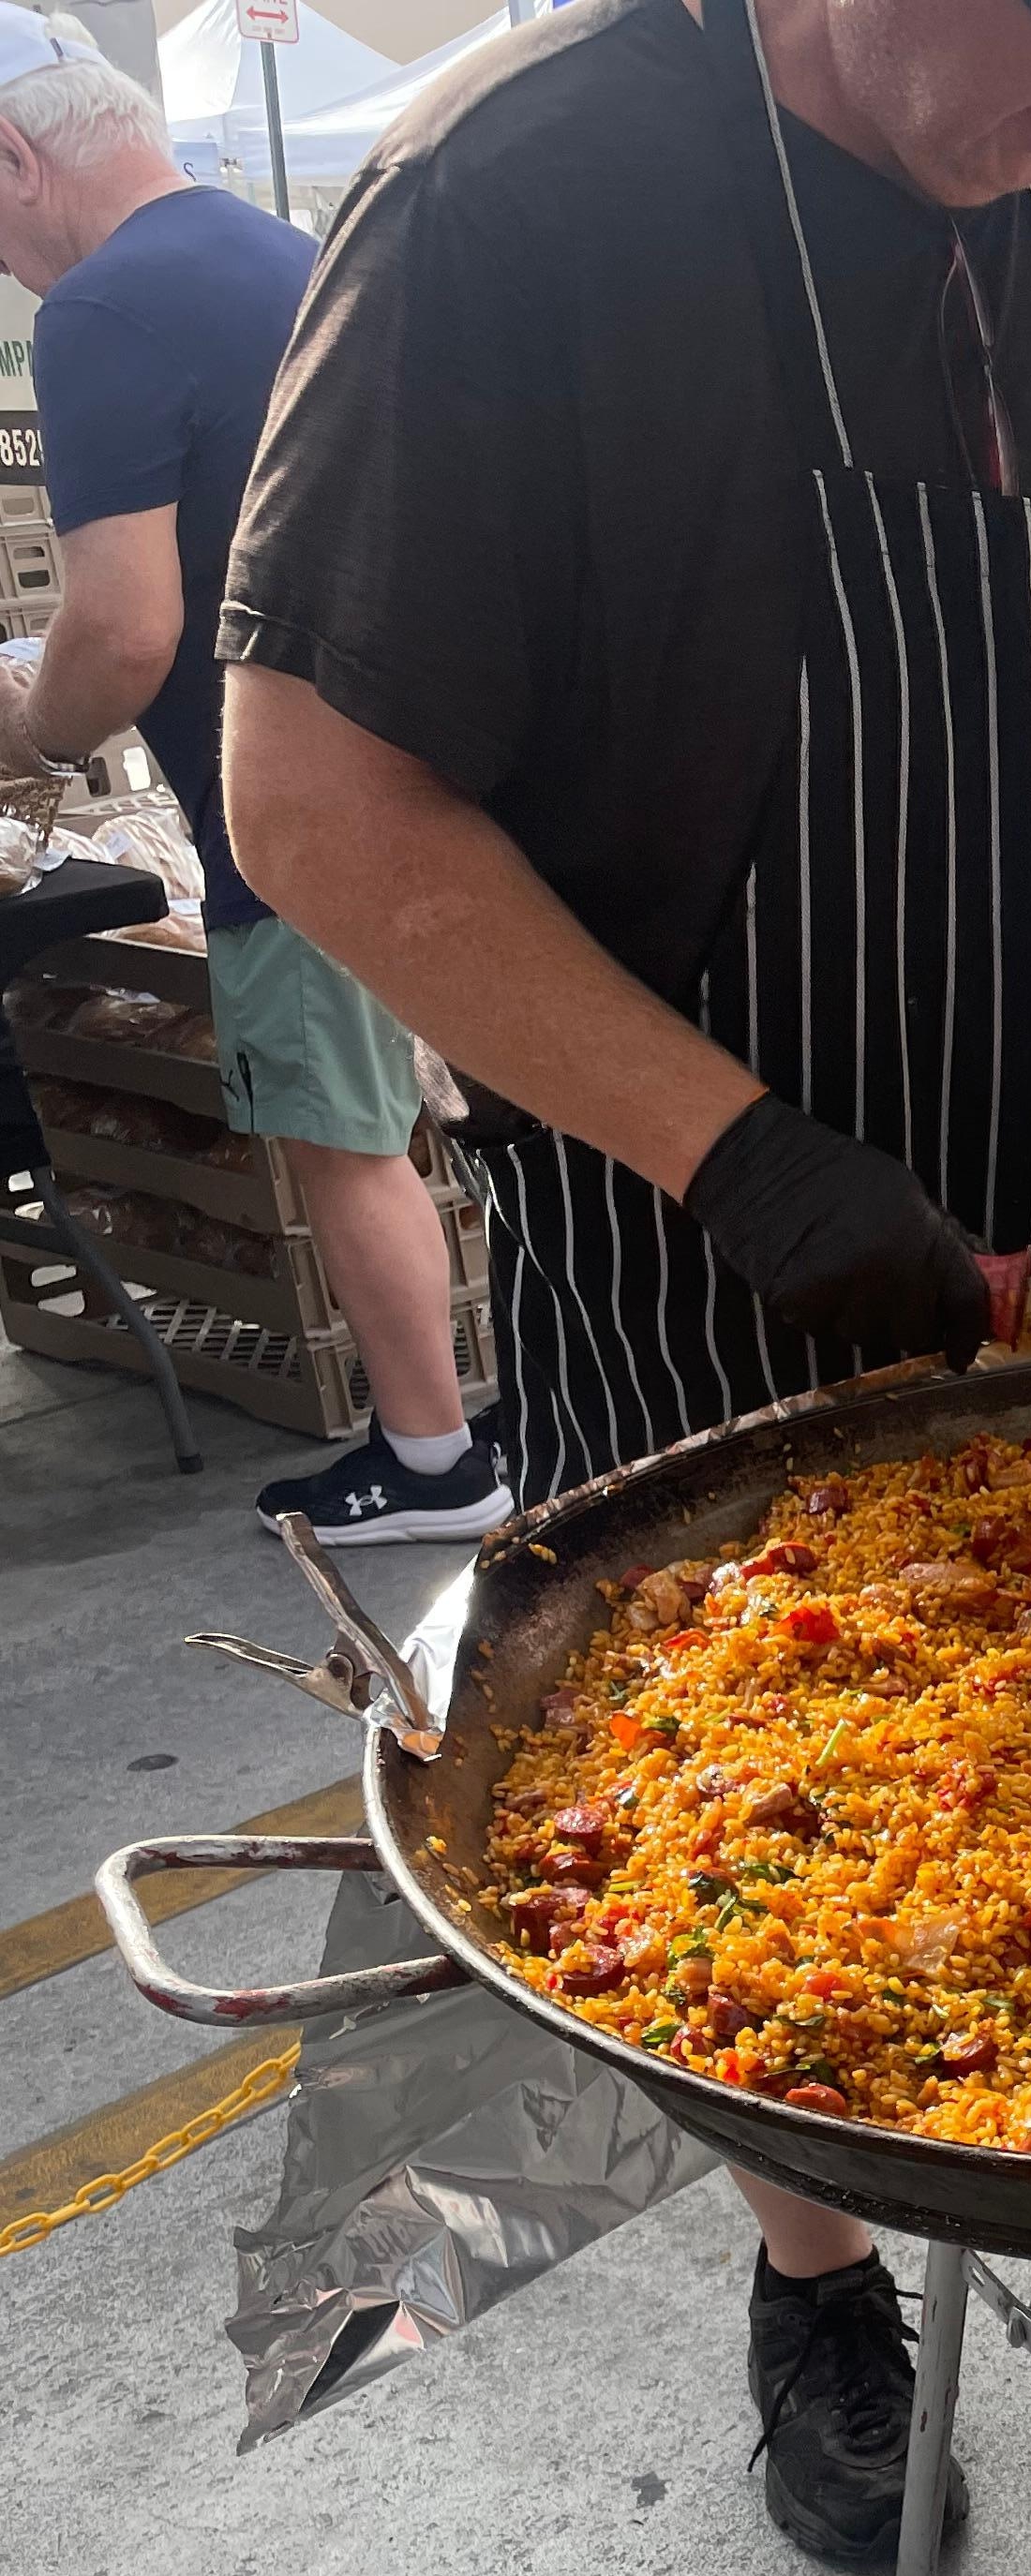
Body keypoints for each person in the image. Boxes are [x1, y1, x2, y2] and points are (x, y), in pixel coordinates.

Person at [217, 0, 1031, 2575]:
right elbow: (311, 793)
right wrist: (744, 1154)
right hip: (728, 1234)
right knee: (787, 1833)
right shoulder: (521, 202)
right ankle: (818, 2283)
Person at [0, 10, 506, 1548]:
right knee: (462, 1125)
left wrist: (28, 730)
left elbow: (124, 629)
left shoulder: (100, 313)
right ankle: (504, 1418)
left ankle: (432, 1464)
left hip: (292, 811)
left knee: (339, 1142)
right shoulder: (283, 253)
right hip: (433, 767)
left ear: (11, 158)